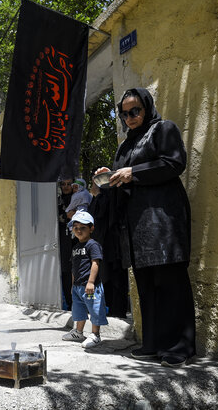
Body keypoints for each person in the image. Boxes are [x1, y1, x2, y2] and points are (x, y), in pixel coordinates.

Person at [95, 87, 196, 367]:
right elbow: (123, 180)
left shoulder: (163, 129)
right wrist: (109, 176)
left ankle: (181, 346)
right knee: (147, 285)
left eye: (135, 110)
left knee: (170, 281)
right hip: (136, 226)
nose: (130, 117)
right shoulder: (126, 145)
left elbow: (174, 163)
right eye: (124, 113)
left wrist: (133, 172)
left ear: (147, 107)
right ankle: (153, 343)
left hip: (163, 220)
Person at [61, 210, 108, 349]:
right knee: (78, 310)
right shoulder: (75, 247)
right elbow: (74, 267)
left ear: (91, 228)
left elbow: (95, 263)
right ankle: (78, 332)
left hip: (89, 286)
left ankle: (95, 335)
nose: (78, 231)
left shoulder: (92, 245)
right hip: (77, 286)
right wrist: (72, 284)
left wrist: (91, 282)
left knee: (94, 309)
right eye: (75, 228)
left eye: (83, 228)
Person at [88, 177, 129, 318]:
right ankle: (112, 308)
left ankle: (118, 309)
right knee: (107, 276)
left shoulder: (108, 194)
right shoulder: (99, 196)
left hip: (114, 242)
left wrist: (97, 195)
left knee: (116, 276)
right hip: (104, 243)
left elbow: (100, 213)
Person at [57, 176, 74, 310]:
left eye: (69, 184)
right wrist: (65, 216)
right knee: (66, 271)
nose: (66, 187)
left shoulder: (79, 198)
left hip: (78, 240)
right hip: (63, 240)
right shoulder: (57, 201)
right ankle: (69, 303)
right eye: (64, 184)